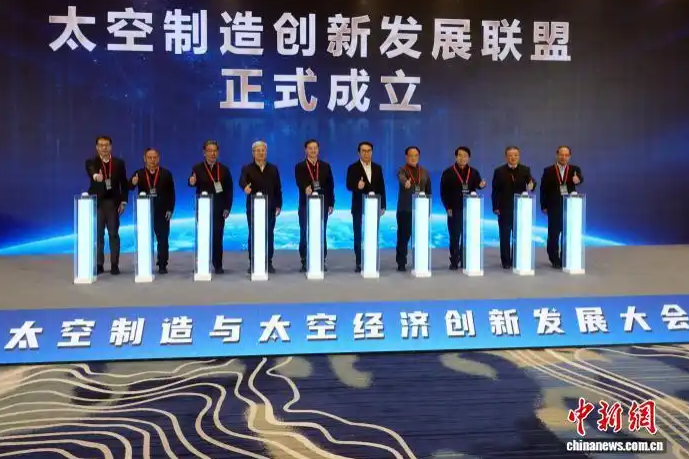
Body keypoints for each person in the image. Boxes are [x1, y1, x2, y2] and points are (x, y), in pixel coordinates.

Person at [85, 135, 128, 275]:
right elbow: (91, 170)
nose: (104, 148)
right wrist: (96, 176)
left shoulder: (119, 163)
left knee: (113, 234)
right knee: (99, 235)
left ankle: (114, 264)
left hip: (113, 203)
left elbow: (124, 184)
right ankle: (99, 264)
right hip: (98, 202)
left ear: (111, 147)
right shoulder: (92, 162)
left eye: (106, 145)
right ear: (97, 147)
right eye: (101, 145)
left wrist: (123, 201)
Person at [189, 140, 233, 274]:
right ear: (204, 153)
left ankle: (218, 265)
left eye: (215, 151)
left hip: (219, 209)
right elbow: (191, 182)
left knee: (218, 237)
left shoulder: (224, 169)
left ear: (218, 152)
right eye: (210, 151)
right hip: (203, 208)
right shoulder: (197, 168)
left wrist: (227, 207)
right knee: (203, 236)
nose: (212, 153)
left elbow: (229, 190)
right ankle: (202, 264)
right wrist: (191, 182)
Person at [239, 140, 282, 274]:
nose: (261, 153)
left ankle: (268, 262)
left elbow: (278, 188)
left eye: (263, 150)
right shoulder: (247, 168)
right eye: (258, 150)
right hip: (253, 208)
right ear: (253, 153)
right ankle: (253, 262)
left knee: (269, 234)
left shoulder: (273, 168)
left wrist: (278, 205)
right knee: (253, 234)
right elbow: (242, 180)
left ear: (266, 152)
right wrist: (245, 187)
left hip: (270, 208)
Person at [440, 146, 486, 270]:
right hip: (454, 209)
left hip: (470, 210)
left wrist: (482, 185)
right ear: (456, 157)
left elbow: (478, 185)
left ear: (468, 158)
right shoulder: (448, 172)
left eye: (465, 156)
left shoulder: (474, 172)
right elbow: (443, 192)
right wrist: (447, 207)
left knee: (467, 235)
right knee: (455, 236)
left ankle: (464, 258)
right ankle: (454, 260)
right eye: (460, 155)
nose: (462, 158)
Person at [130, 148, 175, 274]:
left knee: (163, 239)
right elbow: (129, 187)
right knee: (144, 239)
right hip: (145, 212)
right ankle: (145, 262)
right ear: (144, 159)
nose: (152, 160)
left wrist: (170, 209)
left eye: (155, 157)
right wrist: (132, 182)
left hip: (162, 212)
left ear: (158, 158)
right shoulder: (139, 173)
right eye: (149, 157)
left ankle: (162, 264)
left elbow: (171, 193)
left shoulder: (166, 174)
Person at [491, 146, 536, 269]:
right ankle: (506, 261)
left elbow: (531, 182)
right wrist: (495, 206)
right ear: (506, 157)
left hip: (521, 209)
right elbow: (495, 190)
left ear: (519, 156)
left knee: (519, 235)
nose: (513, 157)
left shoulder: (525, 170)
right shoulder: (499, 171)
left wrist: (532, 185)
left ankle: (518, 259)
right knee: (505, 236)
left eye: (516, 155)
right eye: (510, 155)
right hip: (504, 209)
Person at [540, 145, 584, 269]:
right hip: (554, 206)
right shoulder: (548, 170)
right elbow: (543, 189)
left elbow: (580, 179)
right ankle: (554, 258)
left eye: (566, 155)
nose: (563, 157)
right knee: (554, 234)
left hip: (570, 207)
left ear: (569, 157)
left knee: (568, 233)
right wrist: (544, 205)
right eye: (561, 155)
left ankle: (566, 257)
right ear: (557, 155)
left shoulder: (574, 169)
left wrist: (578, 180)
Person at [295, 139, 335, 272]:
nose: (313, 150)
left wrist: (331, 203)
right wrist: (305, 188)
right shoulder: (300, 166)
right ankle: (304, 260)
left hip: (322, 204)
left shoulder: (325, 166)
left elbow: (330, 186)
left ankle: (321, 259)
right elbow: (299, 182)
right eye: (310, 148)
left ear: (318, 149)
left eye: (315, 148)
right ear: (305, 150)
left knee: (321, 231)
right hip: (305, 204)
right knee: (304, 231)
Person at [346, 141, 386, 272]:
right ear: (359, 153)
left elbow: (381, 187)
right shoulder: (352, 168)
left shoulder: (377, 168)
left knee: (373, 233)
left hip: (374, 205)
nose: (366, 153)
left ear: (372, 152)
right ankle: (359, 262)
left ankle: (371, 259)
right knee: (358, 234)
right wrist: (357, 185)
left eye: (369, 151)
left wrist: (383, 205)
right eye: (363, 151)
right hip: (358, 206)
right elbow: (348, 185)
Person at [395, 146, 431, 271]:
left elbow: (428, 191)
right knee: (403, 237)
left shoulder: (424, 172)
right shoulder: (402, 170)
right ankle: (401, 263)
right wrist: (406, 182)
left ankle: (420, 261)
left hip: (421, 210)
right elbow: (401, 178)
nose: (413, 157)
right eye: (411, 155)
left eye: (416, 155)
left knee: (420, 237)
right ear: (406, 157)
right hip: (405, 210)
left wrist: (428, 209)